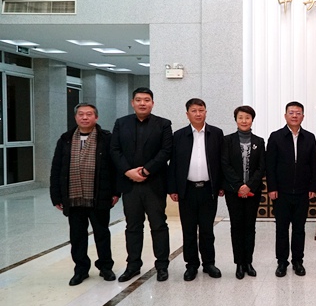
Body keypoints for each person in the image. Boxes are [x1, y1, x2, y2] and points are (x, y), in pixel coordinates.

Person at [49, 103, 119, 286]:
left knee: (102, 233)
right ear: (75, 117)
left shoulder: (106, 138)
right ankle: (81, 269)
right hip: (73, 197)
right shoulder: (65, 139)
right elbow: (57, 168)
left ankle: (105, 267)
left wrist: (115, 192)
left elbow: (114, 168)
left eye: (89, 114)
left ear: (96, 117)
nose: (85, 117)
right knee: (77, 236)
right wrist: (56, 196)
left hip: (99, 195)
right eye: (81, 114)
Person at [110, 87, 172, 282]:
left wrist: (146, 171)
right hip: (130, 185)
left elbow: (166, 151)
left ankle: (162, 266)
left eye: (146, 100)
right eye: (138, 100)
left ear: (152, 103)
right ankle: (133, 265)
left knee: (158, 225)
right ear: (132, 103)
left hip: (154, 184)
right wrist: (128, 171)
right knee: (133, 227)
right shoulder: (121, 123)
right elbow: (114, 150)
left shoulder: (163, 124)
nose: (142, 103)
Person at [167, 98, 224, 281]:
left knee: (207, 230)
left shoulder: (216, 133)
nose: (198, 114)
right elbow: (173, 164)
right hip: (187, 190)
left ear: (206, 112)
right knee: (189, 230)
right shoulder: (179, 135)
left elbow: (222, 162)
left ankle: (209, 263)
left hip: (208, 190)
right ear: (187, 114)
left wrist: (221, 185)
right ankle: (191, 265)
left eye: (201, 110)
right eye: (194, 110)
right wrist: (173, 188)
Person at [266, 102, 316, 277]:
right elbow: (270, 165)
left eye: (298, 113)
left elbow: (314, 164)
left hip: (303, 192)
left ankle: (298, 261)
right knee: (281, 229)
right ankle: (282, 262)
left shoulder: (309, 137)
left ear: (303, 116)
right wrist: (272, 187)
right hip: (281, 192)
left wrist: (313, 187)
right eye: (291, 112)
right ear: (285, 116)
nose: (295, 116)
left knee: (299, 229)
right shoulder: (276, 137)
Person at [221, 105, 266, 279]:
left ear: (252, 120)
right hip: (233, 191)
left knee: (250, 227)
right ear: (236, 120)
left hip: (253, 192)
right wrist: (239, 185)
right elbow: (225, 165)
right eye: (240, 117)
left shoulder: (259, 142)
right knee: (236, 226)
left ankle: (248, 262)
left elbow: (261, 167)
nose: (244, 121)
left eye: (247, 117)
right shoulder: (227, 141)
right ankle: (239, 263)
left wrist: (249, 186)